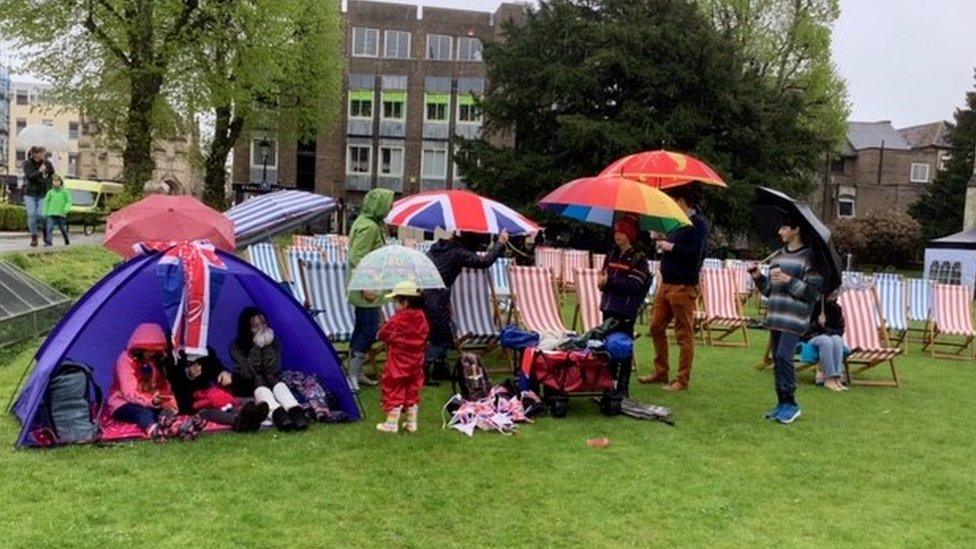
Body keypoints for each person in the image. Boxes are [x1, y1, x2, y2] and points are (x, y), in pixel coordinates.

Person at [749, 215, 823, 424]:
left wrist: (790, 281)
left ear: (796, 229)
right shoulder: (777, 257)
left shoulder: (810, 258)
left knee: (783, 357)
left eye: (783, 228)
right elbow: (769, 290)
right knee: (777, 361)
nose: (780, 232)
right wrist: (757, 276)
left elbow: (813, 294)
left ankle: (791, 404)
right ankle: (781, 403)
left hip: (794, 318)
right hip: (775, 317)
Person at [639, 184, 710, 392]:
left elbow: (696, 254)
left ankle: (682, 379)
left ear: (681, 201)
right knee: (656, 327)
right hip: (666, 283)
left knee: (683, 334)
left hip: (683, 286)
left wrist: (672, 247)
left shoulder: (698, 225)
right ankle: (661, 371)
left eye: (672, 202)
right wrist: (660, 240)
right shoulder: (676, 225)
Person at [423, 228, 509, 385]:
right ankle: (425, 373)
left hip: (427, 294)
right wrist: (500, 243)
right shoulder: (459, 252)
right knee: (441, 337)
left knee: (447, 331)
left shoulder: (441, 246)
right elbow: (484, 262)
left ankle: (439, 369)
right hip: (436, 297)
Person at [346, 188, 395, 391]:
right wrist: (366, 284)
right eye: (388, 204)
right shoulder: (369, 227)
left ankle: (357, 372)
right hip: (367, 288)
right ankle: (352, 376)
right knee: (368, 331)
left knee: (361, 329)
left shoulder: (369, 223)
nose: (390, 208)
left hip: (368, 286)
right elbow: (357, 257)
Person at [230, 308, 310, 432]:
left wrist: (267, 347)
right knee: (259, 377)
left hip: (271, 378)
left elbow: (274, 368)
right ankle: (277, 414)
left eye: (263, 324)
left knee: (271, 376)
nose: (262, 329)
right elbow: (248, 371)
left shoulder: (275, 341)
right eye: (256, 326)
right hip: (247, 382)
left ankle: (295, 411)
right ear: (247, 329)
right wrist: (257, 347)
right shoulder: (236, 346)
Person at [597, 216, 650, 397]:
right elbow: (603, 277)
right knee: (607, 346)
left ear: (630, 234)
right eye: (616, 231)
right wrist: (602, 283)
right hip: (608, 306)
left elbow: (634, 285)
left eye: (621, 232)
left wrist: (609, 281)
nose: (617, 235)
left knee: (623, 346)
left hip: (625, 310)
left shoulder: (639, 259)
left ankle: (623, 387)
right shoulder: (611, 253)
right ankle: (608, 383)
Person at [106, 323, 181, 442]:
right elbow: (129, 393)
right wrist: (151, 401)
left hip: (150, 401)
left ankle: (175, 427)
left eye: (155, 350)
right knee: (144, 413)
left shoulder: (157, 361)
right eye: (149, 350)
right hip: (123, 403)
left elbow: (165, 386)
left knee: (163, 412)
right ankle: (154, 431)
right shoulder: (125, 360)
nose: (152, 353)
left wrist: (171, 406)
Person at [165, 348, 270, 432]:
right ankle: (239, 421)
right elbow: (174, 381)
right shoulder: (174, 355)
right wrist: (188, 375)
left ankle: (253, 413)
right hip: (190, 400)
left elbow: (215, 366)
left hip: (211, 393)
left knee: (237, 401)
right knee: (207, 412)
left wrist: (223, 372)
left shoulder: (204, 350)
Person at [376, 281, 430, 433]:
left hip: (399, 359)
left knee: (394, 386)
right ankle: (411, 423)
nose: (394, 305)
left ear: (405, 302)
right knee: (412, 388)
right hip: (416, 360)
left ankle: (391, 424)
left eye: (395, 301)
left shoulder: (398, 319)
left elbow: (383, 334)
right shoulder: (421, 316)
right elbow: (424, 334)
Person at [803, 292, 848, 392]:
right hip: (811, 338)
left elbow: (840, 330)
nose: (835, 293)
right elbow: (805, 330)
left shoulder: (837, 309)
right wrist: (818, 323)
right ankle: (829, 378)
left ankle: (837, 378)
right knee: (826, 340)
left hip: (829, 337)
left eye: (837, 291)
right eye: (832, 290)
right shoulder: (814, 306)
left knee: (837, 339)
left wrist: (827, 331)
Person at [22, 146, 54, 248]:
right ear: (35, 154)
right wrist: (40, 171)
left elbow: (52, 175)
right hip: (30, 194)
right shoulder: (27, 164)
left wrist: (48, 182)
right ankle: (34, 237)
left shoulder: (47, 163)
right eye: (42, 153)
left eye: (44, 153)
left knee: (42, 215)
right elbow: (30, 177)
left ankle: (45, 231)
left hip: (43, 194)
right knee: (31, 215)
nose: (44, 155)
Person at [43, 175, 72, 246]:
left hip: (61, 214)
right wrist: (45, 212)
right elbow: (46, 202)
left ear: (60, 182)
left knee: (62, 228)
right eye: (54, 181)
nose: (56, 183)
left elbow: (69, 201)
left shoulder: (65, 192)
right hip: (51, 213)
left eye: (57, 181)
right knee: (49, 228)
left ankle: (66, 240)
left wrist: (65, 210)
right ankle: (49, 242)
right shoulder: (50, 192)